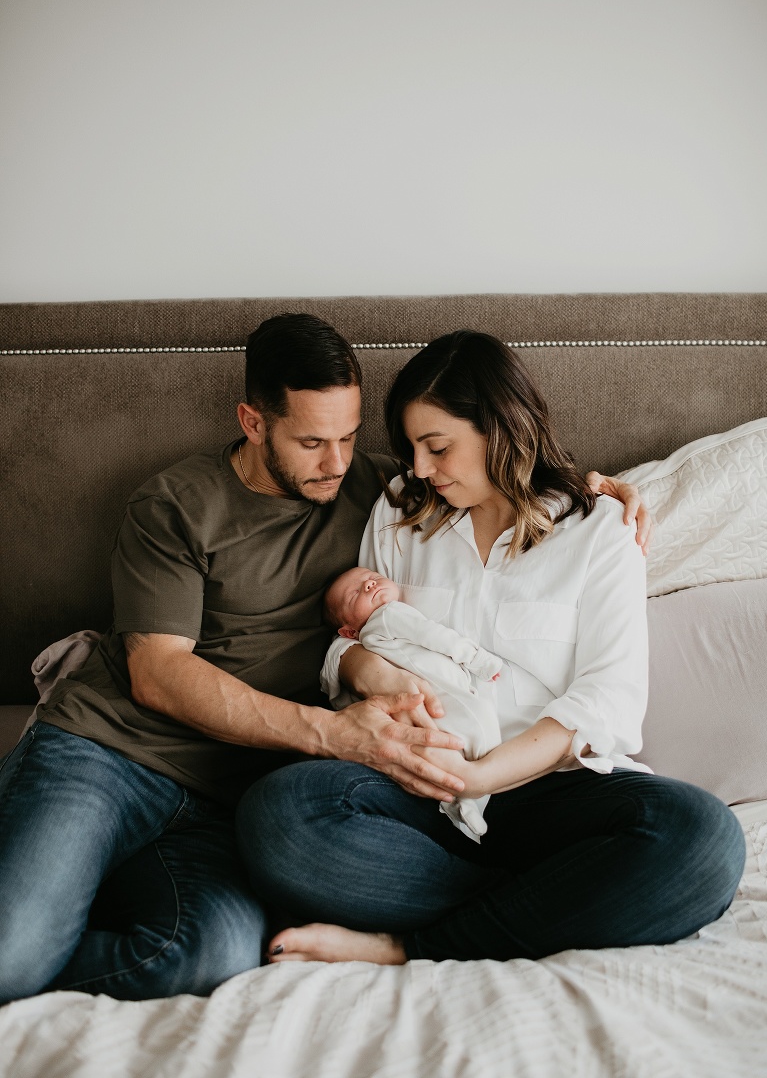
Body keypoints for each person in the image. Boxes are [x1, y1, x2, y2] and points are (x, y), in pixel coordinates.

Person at [0, 314, 647, 1004]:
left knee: (202, 959)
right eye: (311, 442)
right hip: (111, 755)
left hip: (230, 795)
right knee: (14, 956)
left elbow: (498, 477)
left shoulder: (386, 492)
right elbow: (157, 674)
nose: (336, 463)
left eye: (350, 437)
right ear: (253, 422)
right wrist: (335, 732)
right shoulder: (177, 504)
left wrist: (600, 490)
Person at [236, 330, 746, 968]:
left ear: (501, 427)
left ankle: (409, 944)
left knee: (702, 838)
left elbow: (609, 698)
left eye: (438, 446)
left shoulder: (598, 530)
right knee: (280, 815)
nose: (422, 468)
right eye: (412, 449)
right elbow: (349, 647)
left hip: (549, 791)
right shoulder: (399, 512)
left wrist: (481, 777)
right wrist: (367, 670)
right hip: (417, 792)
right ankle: (549, 902)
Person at [324, 565, 503, 838]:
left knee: (447, 750)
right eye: (354, 594)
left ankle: (461, 801)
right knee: (482, 724)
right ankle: (467, 799)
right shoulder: (387, 615)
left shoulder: (371, 641)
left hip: (423, 703)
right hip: (439, 694)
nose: (369, 585)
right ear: (348, 632)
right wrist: (478, 659)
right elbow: (434, 635)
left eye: (373, 578)